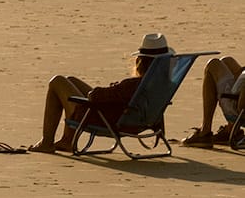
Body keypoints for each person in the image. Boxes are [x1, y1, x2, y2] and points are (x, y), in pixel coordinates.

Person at [32, 31, 171, 152]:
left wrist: (113, 87)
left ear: (140, 62)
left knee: (57, 81)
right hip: (132, 118)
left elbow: (94, 96)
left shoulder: (133, 85)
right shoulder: (163, 86)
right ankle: (66, 141)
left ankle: (47, 142)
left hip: (103, 119)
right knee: (71, 80)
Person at [182, 53, 243, 147]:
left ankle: (205, 131)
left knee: (213, 65)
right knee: (227, 61)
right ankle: (232, 129)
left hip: (240, 110)